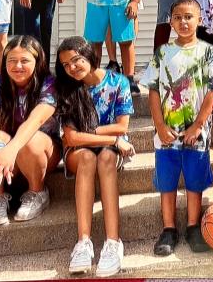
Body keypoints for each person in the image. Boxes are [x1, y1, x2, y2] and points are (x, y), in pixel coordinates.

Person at [141, 0, 213, 256]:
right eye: (178, 17)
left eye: (189, 17)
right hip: (166, 134)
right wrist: (160, 125)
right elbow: (153, 90)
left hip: (196, 135)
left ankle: (192, 226)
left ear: (199, 20)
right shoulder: (162, 53)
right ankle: (168, 229)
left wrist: (199, 125)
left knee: (194, 181)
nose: (184, 22)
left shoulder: (209, 52)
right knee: (167, 182)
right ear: (171, 21)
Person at [55, 36, 136, 277]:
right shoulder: (67, 89)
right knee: (89, 158)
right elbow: (72, 139)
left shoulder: (117, 82)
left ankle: (113, 242)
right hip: (80, 153)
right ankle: (83, 242)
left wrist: (93, 135)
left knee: (107, 158)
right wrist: (111, 139)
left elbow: (122, 126)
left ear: (90, 56)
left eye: (76, 60)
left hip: (110, 151)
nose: (72, 68)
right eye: (66, 64)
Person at [0, 36, 61, 226]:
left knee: (32, 138)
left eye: (25, 61)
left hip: (41, 152)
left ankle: (37, 192)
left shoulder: (49, 84)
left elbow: (36, 120)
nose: (18, 66)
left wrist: (11, 149)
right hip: (5, 155)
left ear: (38, 61)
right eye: (12, 61)